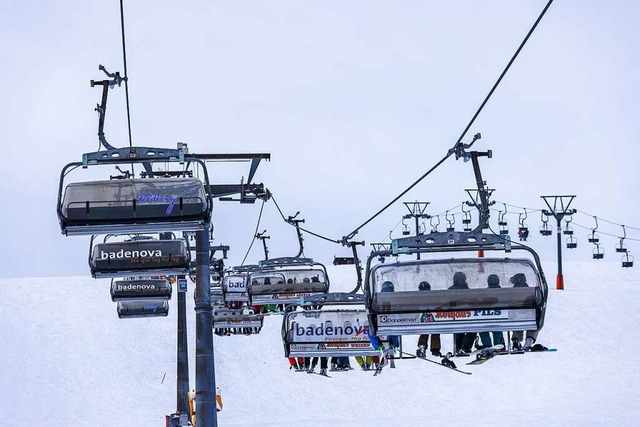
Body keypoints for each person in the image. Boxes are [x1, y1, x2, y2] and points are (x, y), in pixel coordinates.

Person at [509, 273, 539, 351]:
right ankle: (529, 339)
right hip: (529, 315)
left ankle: (516, 340)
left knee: (517, 323)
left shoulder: (512, 290)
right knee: (534, 323)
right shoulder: (529, 289)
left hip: (516, 315)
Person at [449, 272, 476, 355]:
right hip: (467, 314)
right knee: (472, 329)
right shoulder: (467, 290)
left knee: (459, 329)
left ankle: (458, 347)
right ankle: (466, 347)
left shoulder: (450, 290)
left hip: (454, 315)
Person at [478, 274, 505, 350]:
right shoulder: (503, 292)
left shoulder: (485, 293)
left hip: (487, 315)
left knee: (483, 330)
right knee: (497, 331)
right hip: (500, 315)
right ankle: (498, 344)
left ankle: (487, 345)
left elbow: (481, 303)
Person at [416, 281, 442, 357]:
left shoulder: (416, 298)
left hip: (422, 319)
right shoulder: (434, 297)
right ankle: (435, 348)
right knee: (435, 332)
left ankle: (422, 345)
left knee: (424, 332)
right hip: (433, 318)